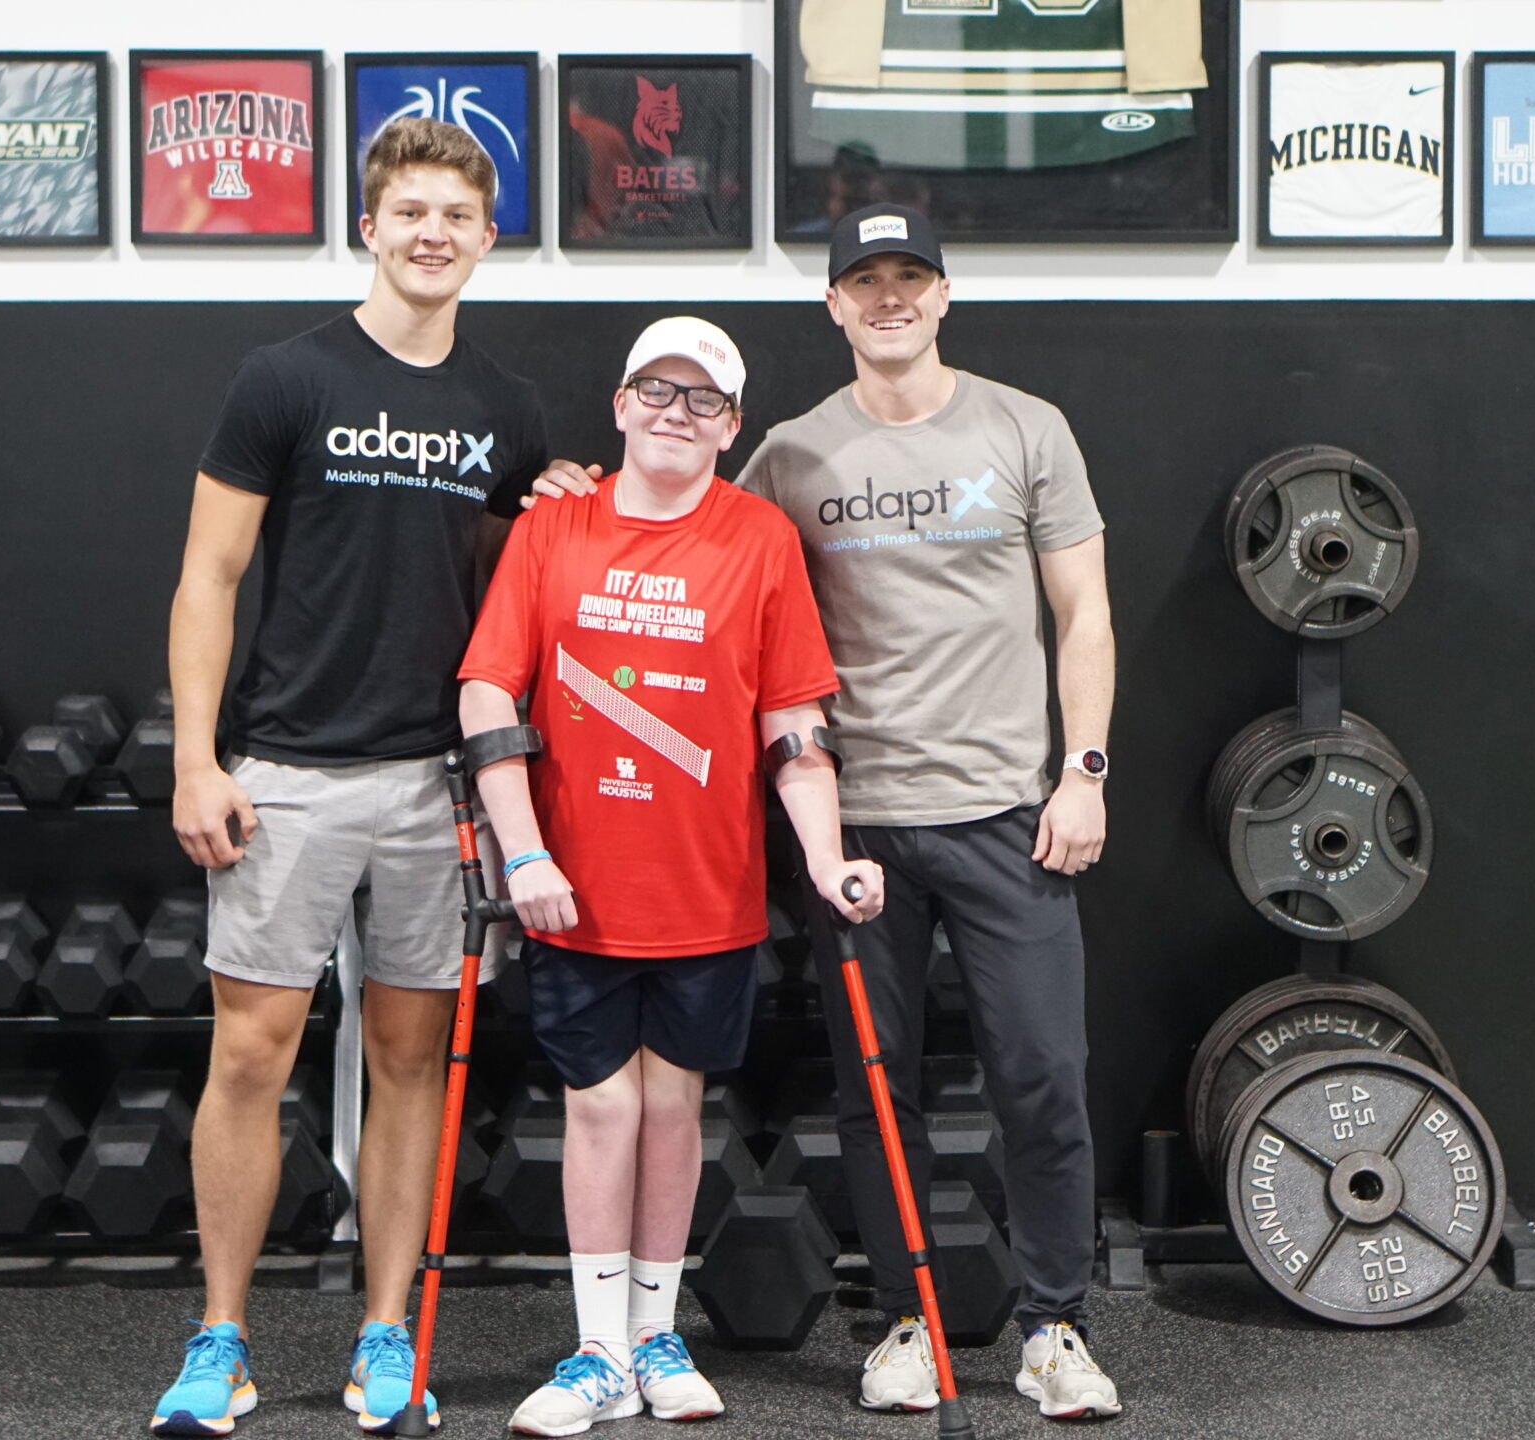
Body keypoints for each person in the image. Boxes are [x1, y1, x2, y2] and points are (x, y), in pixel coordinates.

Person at [539, 202, 1121, 1421]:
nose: (890, 298)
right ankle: (904, 1323)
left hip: (1008, 815)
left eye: (911, 278)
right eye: (867, 281)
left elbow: (1083, 615)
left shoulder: (1029, 428)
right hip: (854, 828)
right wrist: (574, 496)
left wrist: (1085, 770)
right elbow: (681, 521)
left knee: (1043, 1078)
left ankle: (1055, 1327)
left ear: (945, 296)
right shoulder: (797, 454)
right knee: (873, 1089)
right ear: (834, 305)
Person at [150, 117, 551, 1439]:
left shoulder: (499, 410)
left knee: (409, 1063)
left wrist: (559, 505)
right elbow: (209, 577)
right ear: (368, 227)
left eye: (458, 216)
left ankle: (389, 1335)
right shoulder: (284, 378)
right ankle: (222, 1340)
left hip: (432, 785)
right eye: (411, 212)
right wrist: (198, 759)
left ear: (488, 240)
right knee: (252, 1055)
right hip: (287, 778)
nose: (433, 233)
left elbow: (504, 598)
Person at [458, 317, 885, 1437]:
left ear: (731, 425)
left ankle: (655, 1334)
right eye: (657, 390)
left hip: (706, 888)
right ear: (618, 403)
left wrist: (829, 856)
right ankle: (597, 1350)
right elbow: (486, 697)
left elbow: (793, 722)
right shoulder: (553, 532)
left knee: (672, 1106)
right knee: (600, 1109)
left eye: (701, 400)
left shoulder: (758, 539)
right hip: (575, 887)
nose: (674, 412)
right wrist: (526, 851)